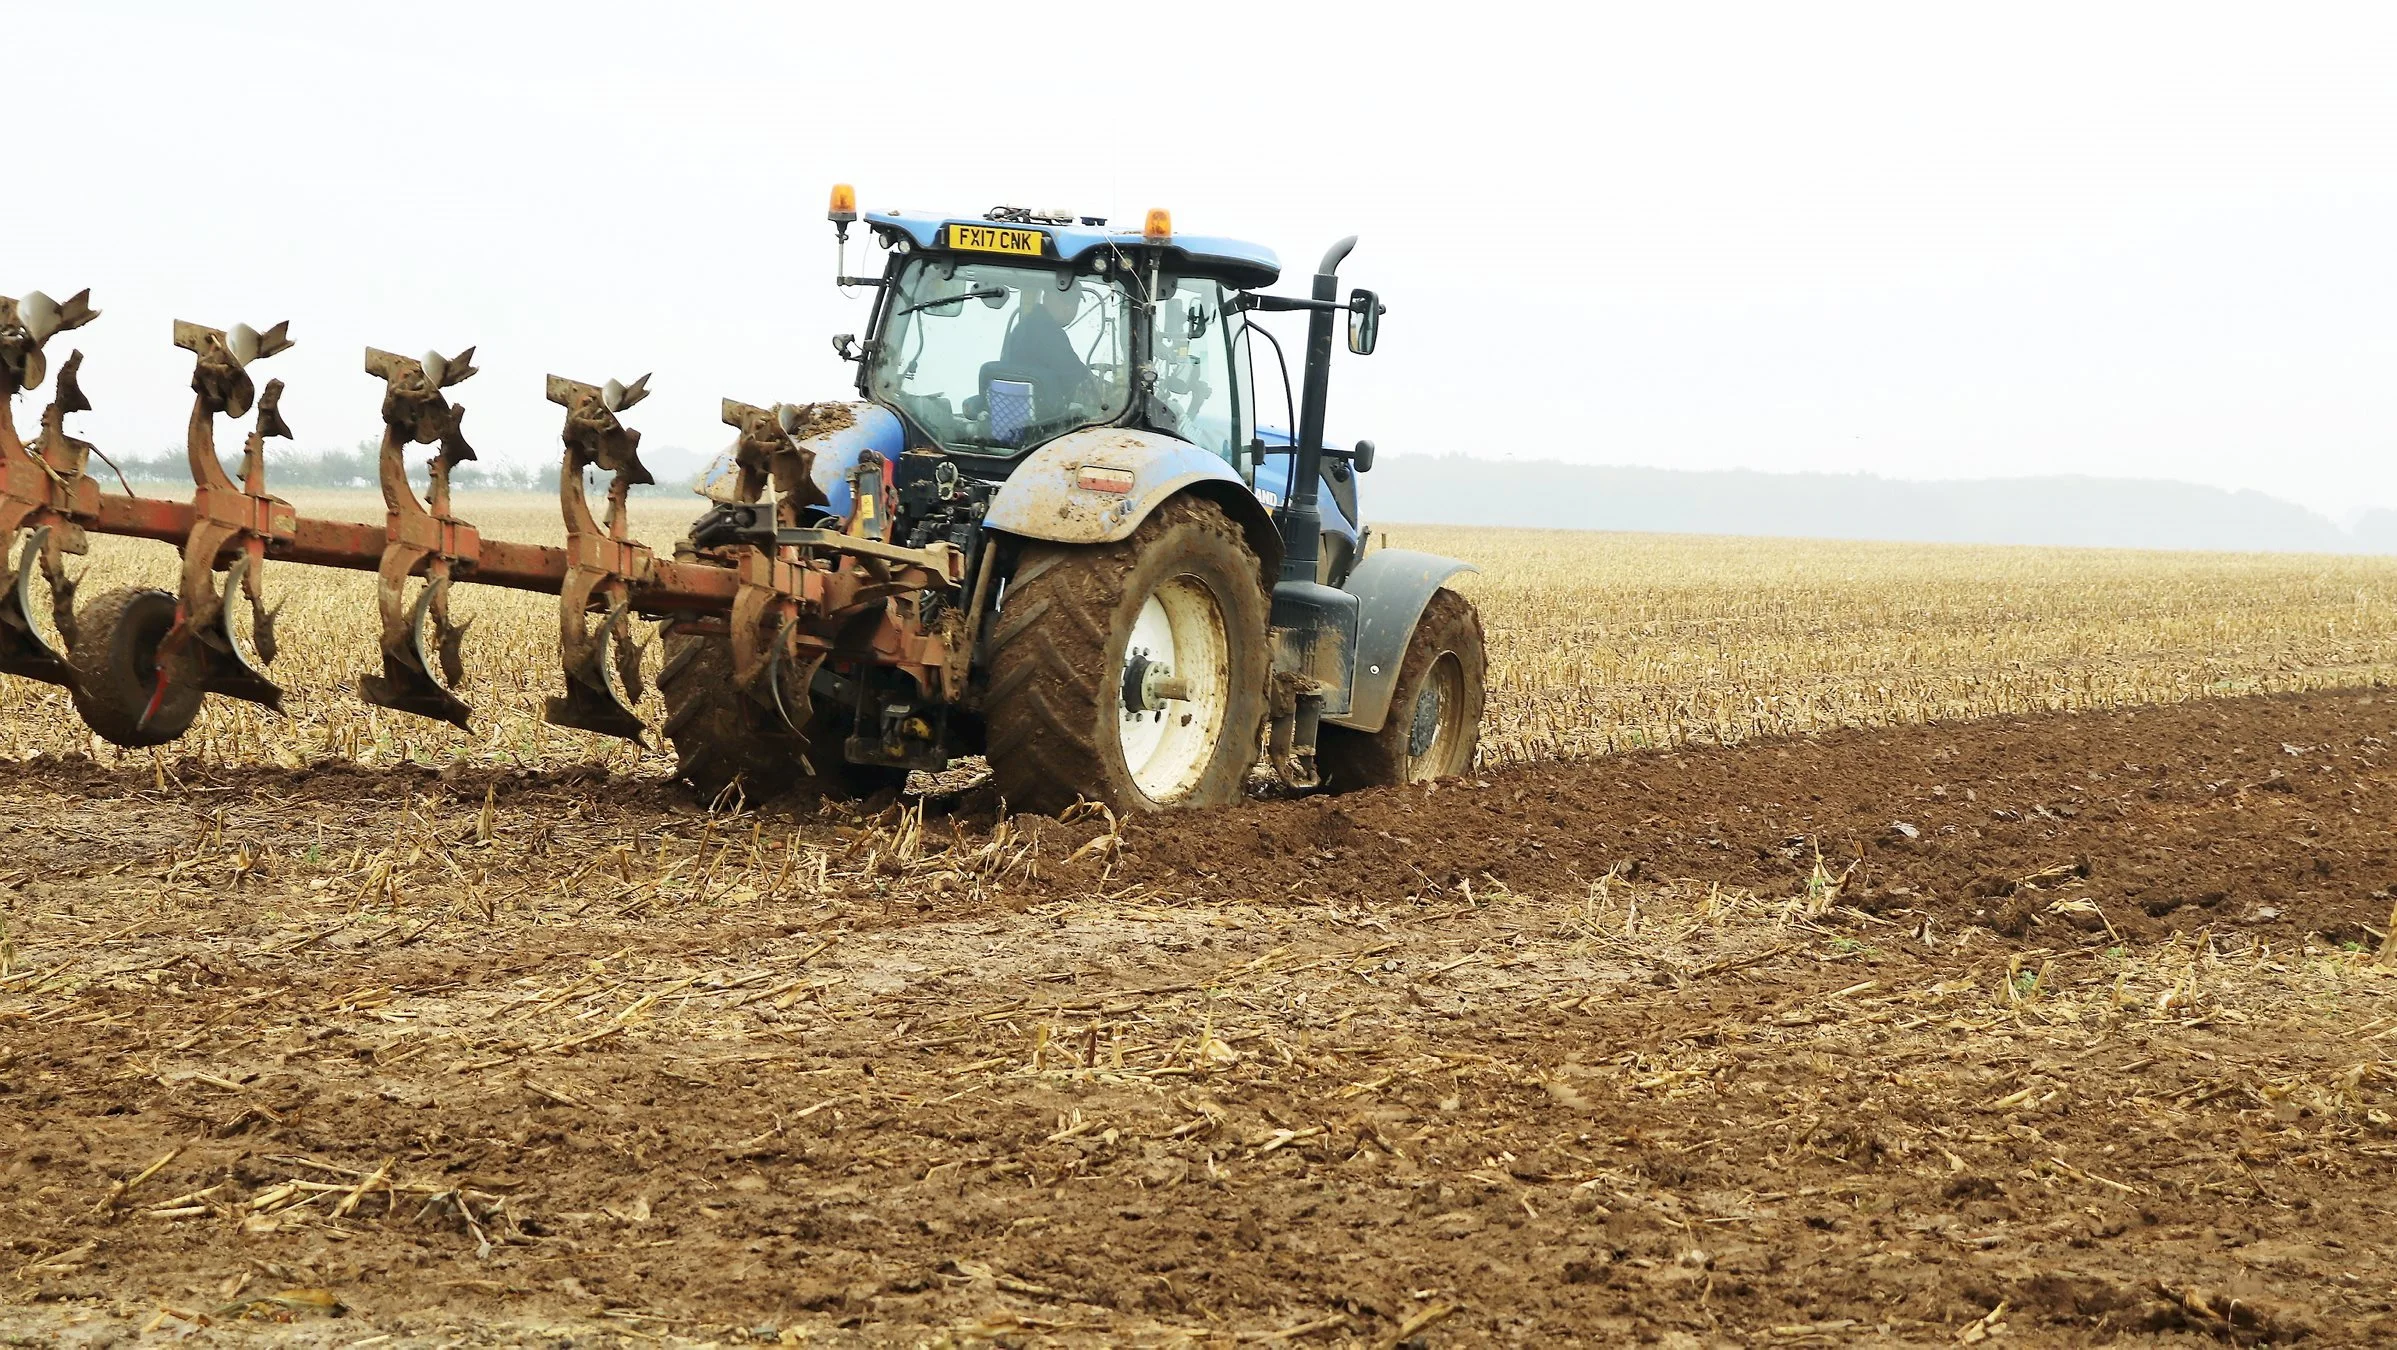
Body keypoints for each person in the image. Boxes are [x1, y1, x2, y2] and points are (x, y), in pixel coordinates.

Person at [998, 281, 1095, 419]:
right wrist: (1110, 395)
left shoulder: (1023, 327)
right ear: (1047, 297)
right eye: (1067, 300)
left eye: (1074, 302)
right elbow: (1077, 378)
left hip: (1018, 416)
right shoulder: (1049, 333)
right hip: (1044, 423)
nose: (1069, 308)